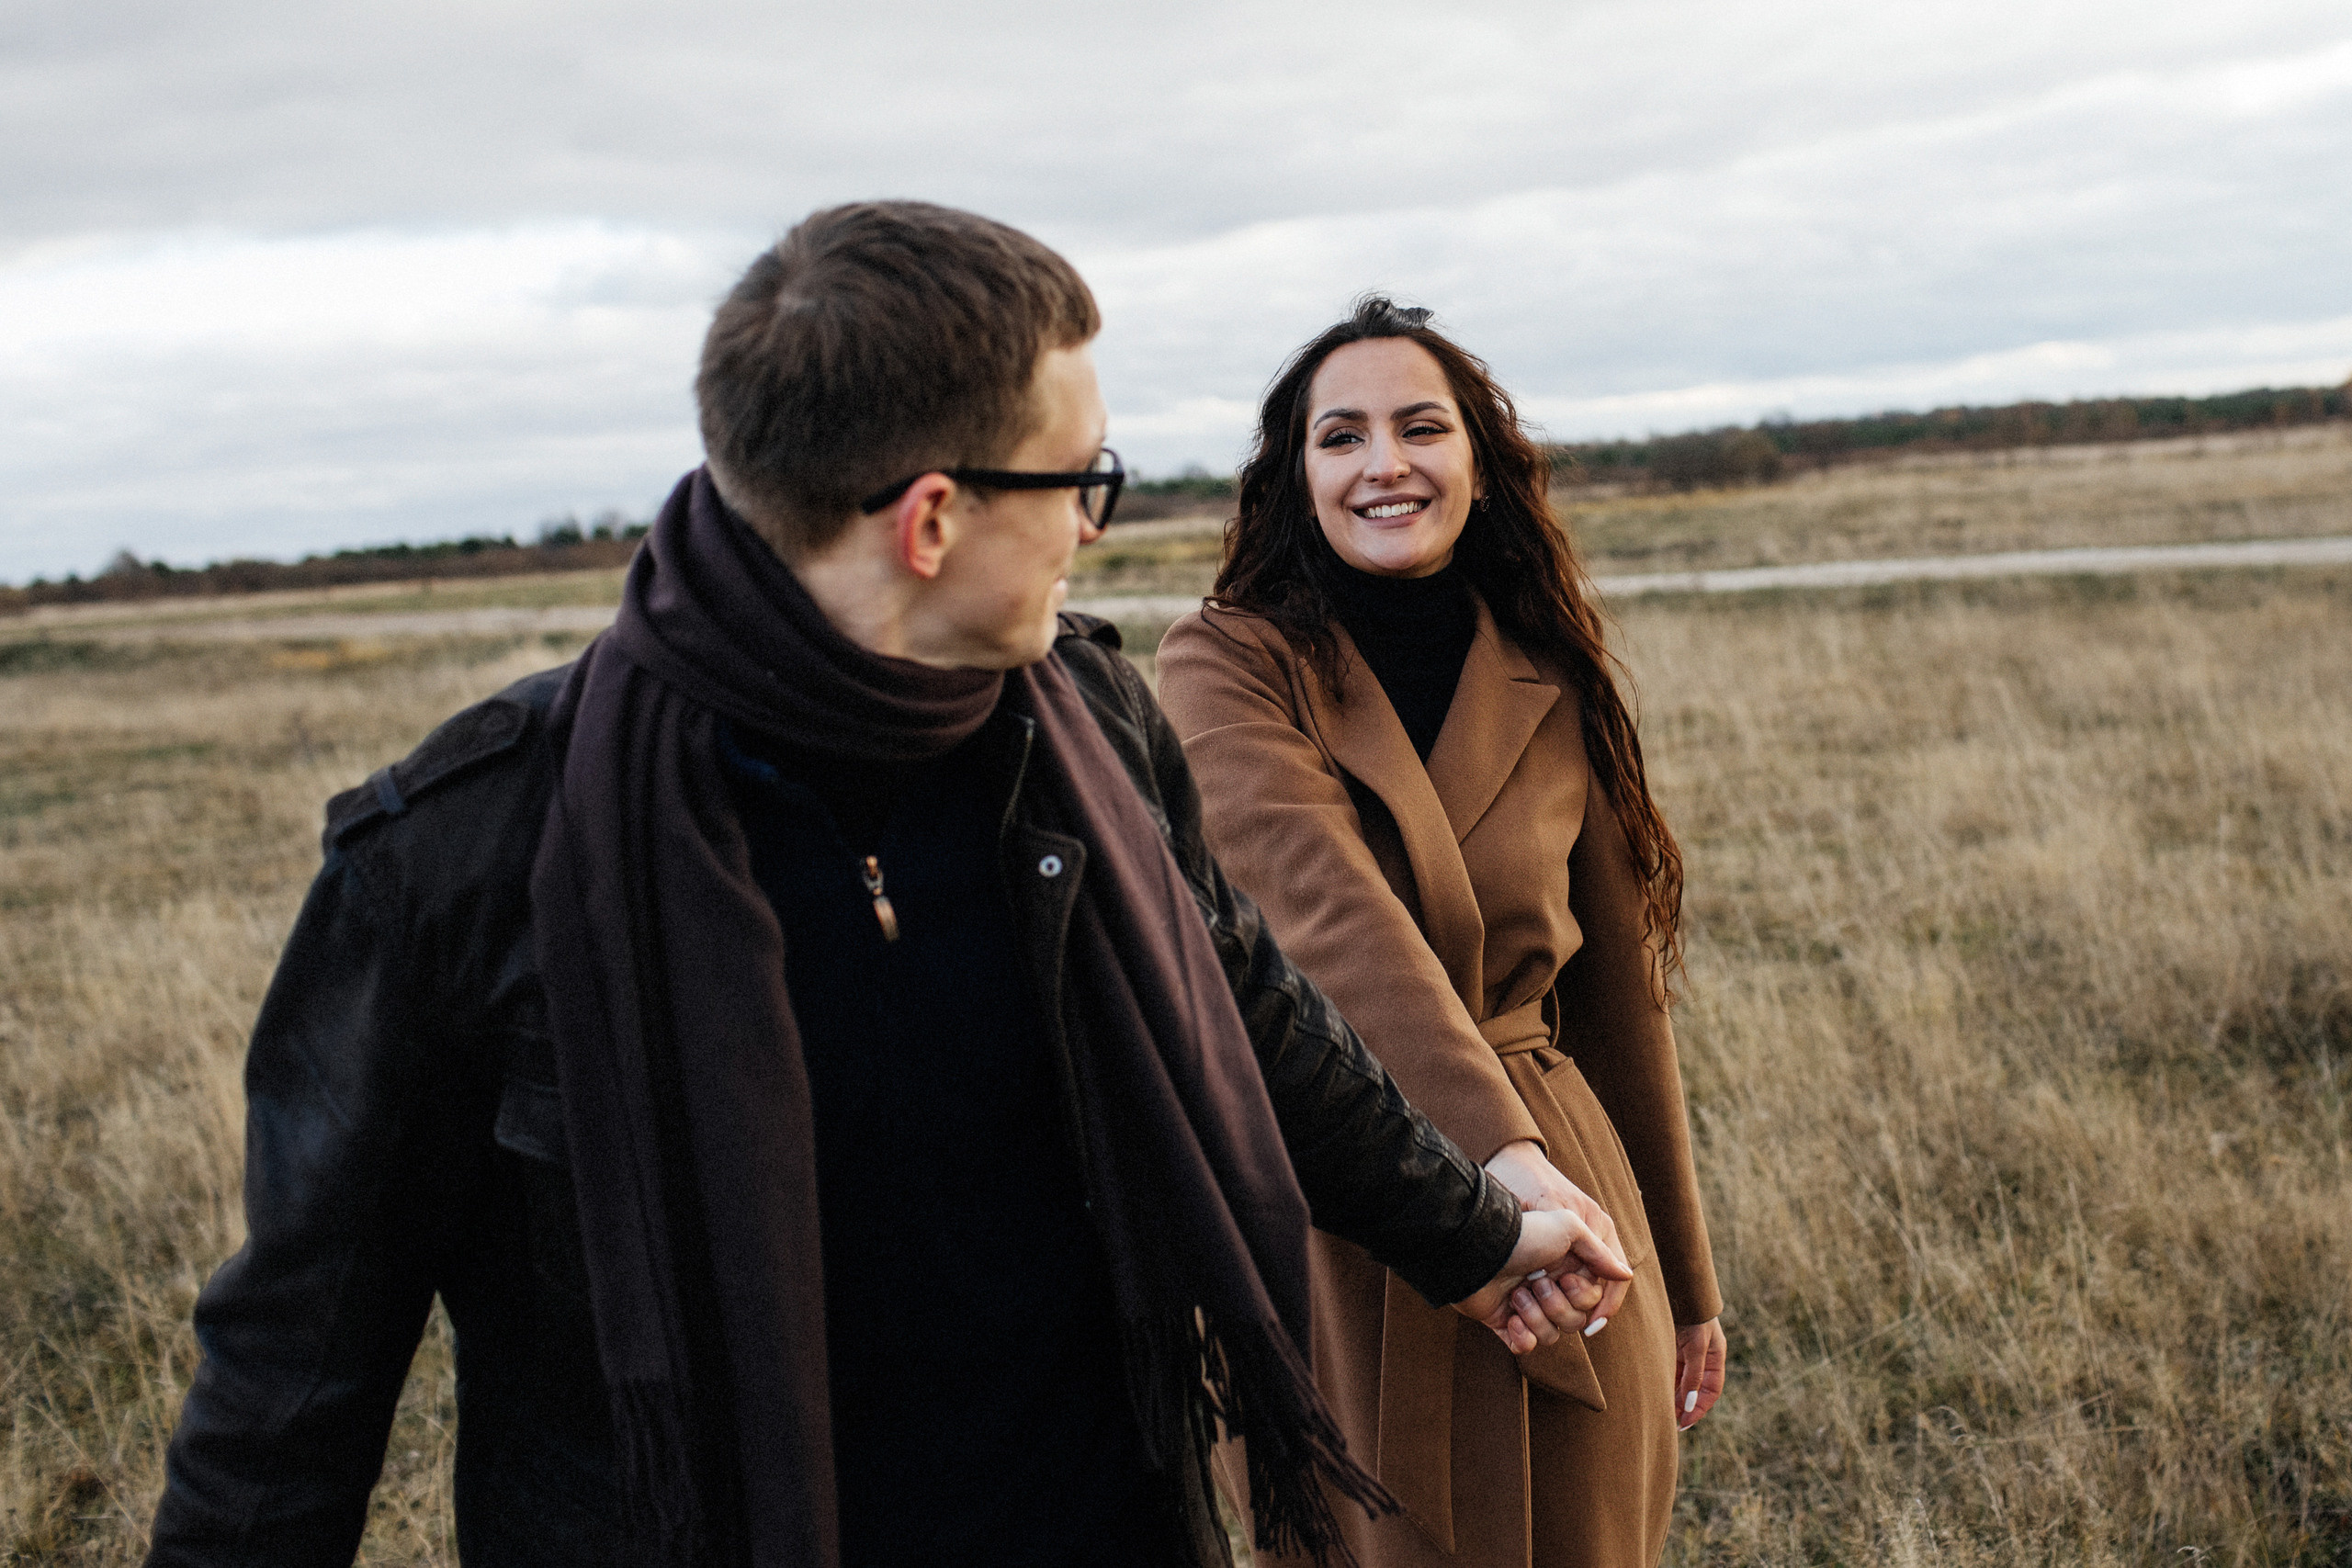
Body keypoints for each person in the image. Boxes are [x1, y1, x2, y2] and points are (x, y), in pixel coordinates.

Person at [141, 208, 1634, 1568]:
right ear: (931, 523)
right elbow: (294, 1378)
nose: (1092, 526)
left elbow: (1240, 995)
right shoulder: (459, 858)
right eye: (1081, 483)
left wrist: (1475, 1227)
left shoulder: (1091, 728)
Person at [1156, 297, 1729, 1568]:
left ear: (1478, 457)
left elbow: (1622, 1003)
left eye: (1421, 428)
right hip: (1346, 1188)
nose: (1384, 465)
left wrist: (1687, 1285)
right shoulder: (1224, 663)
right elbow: (1323, 915)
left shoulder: (1547, 669)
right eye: (1340, 436)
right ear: (1296, 475)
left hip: (1577, 1217)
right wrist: (1490, 1172)